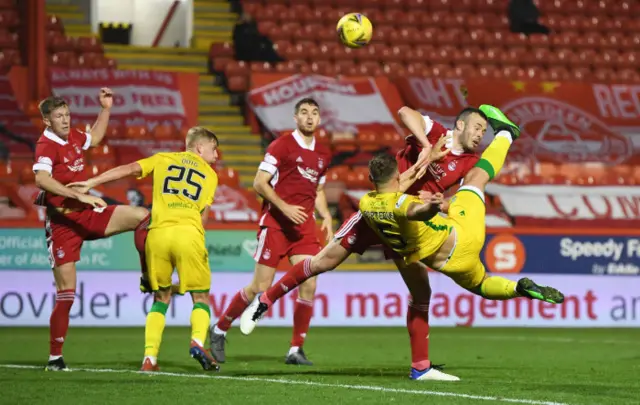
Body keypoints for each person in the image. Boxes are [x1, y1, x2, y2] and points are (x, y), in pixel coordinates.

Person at [241, 105, 565, 381]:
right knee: (322, 262)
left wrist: (442, 204)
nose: (481, 134)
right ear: (461, 124)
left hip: (407, 225)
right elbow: (404, 112)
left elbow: (449, 193)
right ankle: (265, 300)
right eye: (478, 127)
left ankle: (420, 367)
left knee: (422, 292)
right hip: (387, 211)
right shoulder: (438, 133)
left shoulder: (469, 163)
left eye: (486, 130)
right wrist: (427, 147)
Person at [69, 127, 221, 372]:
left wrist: (92, 181)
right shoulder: (211, 175)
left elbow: (129, 169)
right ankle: (197, 342)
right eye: (214, 148)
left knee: (160, 298)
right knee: (201, 297)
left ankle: (149, 359)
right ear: (199, 148)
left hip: (157, 234)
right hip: (188, 234)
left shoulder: (163, 159)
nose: (216, 154)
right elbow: (203, 218)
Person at [208, 98, 332, 366]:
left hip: (304, 227)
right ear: (295, 118)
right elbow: (259, 183)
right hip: (276, 223)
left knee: (310, 283)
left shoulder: (323, 154)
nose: (309, 117)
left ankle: (295, 349)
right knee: (259, 286)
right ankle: (219, 329)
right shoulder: (282, 145)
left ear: (319, 119)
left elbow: (318, 190)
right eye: (304, 113)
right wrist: (285, 207)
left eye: (314, 113)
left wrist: (327, 215)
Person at [33, 91, 149, 372]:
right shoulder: (45, 145)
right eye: (59, 116)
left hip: (88, 214)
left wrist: (105, 109)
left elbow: (94, 137)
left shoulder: (73, 136)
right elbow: (41, 179)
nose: (65, 119)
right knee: (67, 294)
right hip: (63, 223)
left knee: (144, 216)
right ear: (46, 120)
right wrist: (81, 197)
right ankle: (55, 358)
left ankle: (148, 276)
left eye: (67, 114)